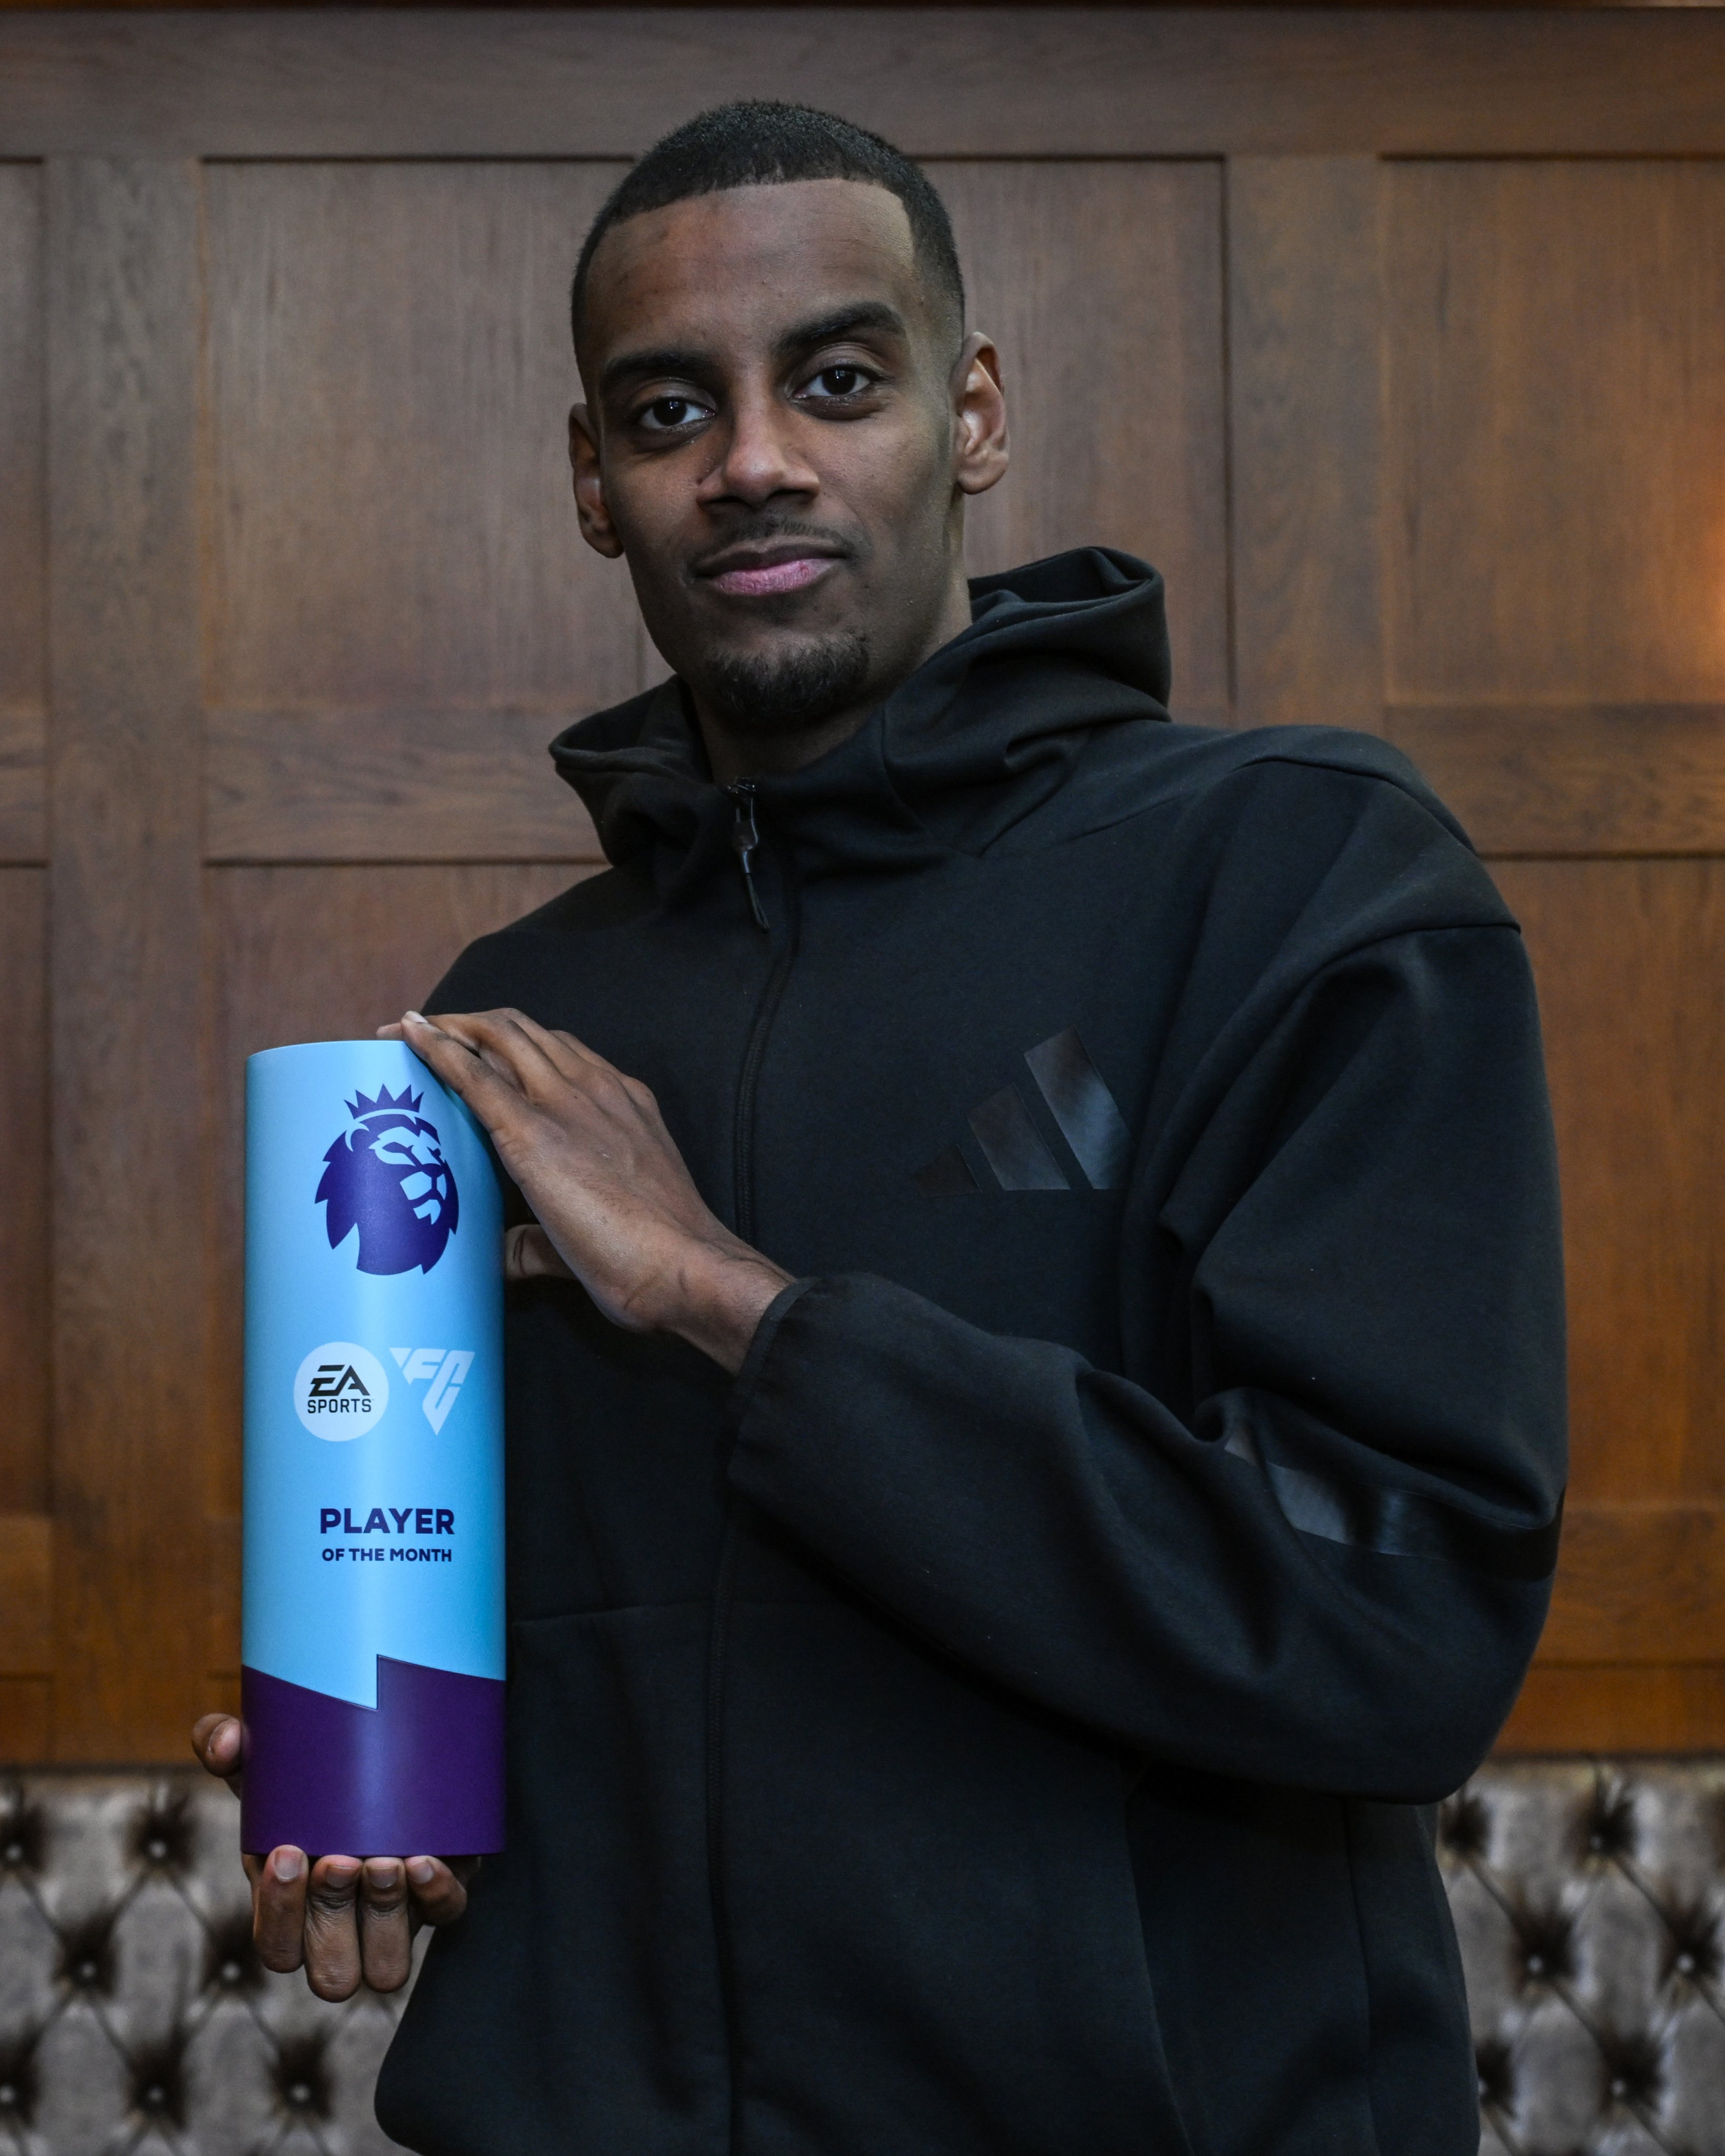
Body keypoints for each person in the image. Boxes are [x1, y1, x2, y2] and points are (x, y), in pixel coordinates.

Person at [194, 101, 1566, 2156]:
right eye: (667, 408)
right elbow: (572, 1647)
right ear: (593, 479)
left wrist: (740, 1302)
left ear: (972, 410)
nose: (751, 458)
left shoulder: (1297, 879)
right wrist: (387, 1794)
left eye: (833, 379)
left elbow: (1394, 1627)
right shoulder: (516, 1020)